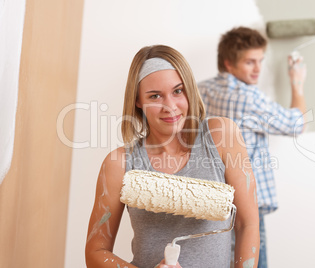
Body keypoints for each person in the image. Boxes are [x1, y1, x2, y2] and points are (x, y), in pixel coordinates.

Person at [85, 44, 260, 268]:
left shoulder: (221, 136)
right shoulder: (119, 164)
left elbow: (247, 223)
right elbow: (95, 252)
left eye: (178, 91)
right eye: (155, 96)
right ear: (138, 100)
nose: (170, 106)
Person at [198, 27, 307, 268]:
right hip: (245, 203)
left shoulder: (201, 90)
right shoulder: (248, 97)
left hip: (210, 200)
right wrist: (297, 84)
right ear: (228, 62)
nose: (258, 69)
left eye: (260, 61)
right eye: (250, 62)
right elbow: (296, 123)